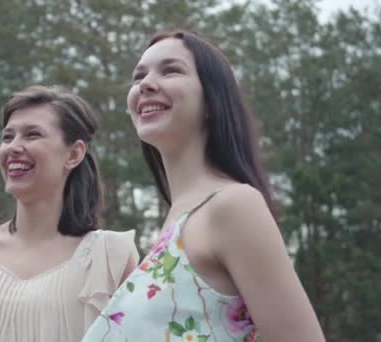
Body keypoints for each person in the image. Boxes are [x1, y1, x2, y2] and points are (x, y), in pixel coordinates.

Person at [82, 30, 325, 341]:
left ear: (212, 101)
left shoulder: (233, 205)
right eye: (138, 76)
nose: (145, 84)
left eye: (171, 70)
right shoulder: (175, 223)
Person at [0, 85, 139, 342]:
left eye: (32, 135)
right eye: (7, 137)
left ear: (74, 154)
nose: (13, 147)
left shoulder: (110, 258)